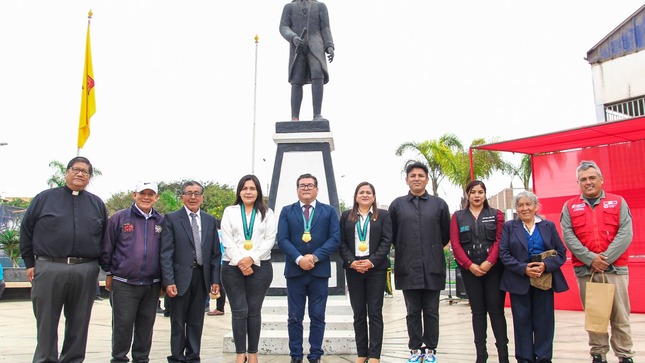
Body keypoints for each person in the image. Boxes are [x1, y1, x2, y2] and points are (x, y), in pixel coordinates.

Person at [19, 156, 108, 363]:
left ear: (89, 177)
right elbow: (26, 231)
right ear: (66, 172)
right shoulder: (44, 199)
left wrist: (106, 269)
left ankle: (73, 359)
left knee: (79, 322)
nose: (80, 174)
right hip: (49, 267)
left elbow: (105, 239)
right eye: (76, 169)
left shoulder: (96, 204)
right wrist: (30, 264)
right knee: (46, 322)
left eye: (85, 171)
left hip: (85, 270)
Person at [560, 160, 635, 363]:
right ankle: (598, 354)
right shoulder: (569, 207)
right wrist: (591, 258)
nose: (588, 182)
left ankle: (624, 355)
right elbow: (568, 236)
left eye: (592, 178)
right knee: (596, 316)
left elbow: (626, 233)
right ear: (578, 183)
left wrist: (605, 258)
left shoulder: (618, 202)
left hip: (615, 270)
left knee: (620, 316)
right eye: (583, 179)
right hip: (587, 271)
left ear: (601, 179)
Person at [388, 162, 450, 363]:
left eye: (420, 175)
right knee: (412, 311)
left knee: (432, 311)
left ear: (427, 179)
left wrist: (431, 249)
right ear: (406, 180)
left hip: (433, 266)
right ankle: (415, 349)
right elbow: (392, 235)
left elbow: (445, 234)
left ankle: (430, 349)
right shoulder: (397, 205)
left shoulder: (439, 205)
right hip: (407, 266)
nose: (416, 178)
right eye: (412, 175)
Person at [499, 191, 568, 363]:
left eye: (528, 204)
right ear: (516, 209)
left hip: (543, 282)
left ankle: (544, 358)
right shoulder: (509, 227)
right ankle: (524, 359)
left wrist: (546, 265)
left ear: (536, 207)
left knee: (544, 322)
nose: (525, 208)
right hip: (519, 282)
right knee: (521, 323)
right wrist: (524, 269)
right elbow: (504, 254)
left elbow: (561, 253)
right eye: (520, 205)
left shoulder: (548, 226)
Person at [277, 173, 340, 363]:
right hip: (295, 272)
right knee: (294, 317)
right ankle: (295, 355)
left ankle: (315, 355)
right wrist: (298, 259)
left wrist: (314, 256)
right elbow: (282, 239)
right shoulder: (287, 211)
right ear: (297, 189)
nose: (306, 188)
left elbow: (335, 239)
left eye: (310, 185)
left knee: (317, 316)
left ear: (317, 189)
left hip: (319, 272)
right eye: (302, 185)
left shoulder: (328, 211)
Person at [100, 181, 164, 363]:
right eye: (142, 193)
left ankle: (142, 359)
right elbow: (107, 248)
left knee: (145, 327)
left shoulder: (161, 221)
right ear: (134, 195)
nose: (146, 197)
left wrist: (164, 282)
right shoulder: (119, 218)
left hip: (151, 285)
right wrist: (109, 273)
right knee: (122, 326)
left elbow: (166, 253)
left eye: (150, 194)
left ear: (156, 197)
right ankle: (119, 358)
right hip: (124, 283)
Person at [160, 180, 221, 363]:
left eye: (196, 193)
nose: (192, 197)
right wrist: (168, 280)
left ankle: (193, 357)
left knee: (196, 322)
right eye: (188, 193)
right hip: (179, 279)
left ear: (202, 197)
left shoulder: (210, 220)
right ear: (182, 197)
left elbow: (215, 254)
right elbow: (166, 253)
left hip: (201, 277)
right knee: (178, 322)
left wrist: (215, 280)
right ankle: (177, 358)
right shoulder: (171, 218)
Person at [449, 180, 509, 363]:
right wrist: (469, 265)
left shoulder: (496, 214)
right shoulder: (458, 217)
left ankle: (503, 356)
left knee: (496, 311)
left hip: (493, 270)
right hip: (470, 272)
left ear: (485, 194)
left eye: (480, 192)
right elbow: (456, 244)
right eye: (473, 192)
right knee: (478, 312)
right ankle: (481, 356)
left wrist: (489, 262)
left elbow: (500, 241)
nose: (476, 195)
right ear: (468, 195)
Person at [220, 175, 277, 363]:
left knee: (253, 311)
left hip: (260, 267)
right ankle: (240, 354)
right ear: (239, 191)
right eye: (244, 188)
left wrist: (251, 259)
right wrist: (240, 261)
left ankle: (253, 354)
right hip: (232, 267)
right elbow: (227, 239)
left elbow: (269, 240)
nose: (248, 192)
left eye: (252, 188)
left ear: (258, 191)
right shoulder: (230, 211)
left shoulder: (267, 213)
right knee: (238, 311)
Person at [339, 182, 392, 363]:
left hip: (375, 269)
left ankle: (375, 355)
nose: (365, 195)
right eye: (361, 192)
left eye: (368, 192)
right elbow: (342, 242)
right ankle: (362, 354)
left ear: (374, 197)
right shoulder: (346, 216)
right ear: (355, 196)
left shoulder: (383, 215)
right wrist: (352, 262)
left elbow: (386, 241)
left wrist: (371, 261)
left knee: (375, 312)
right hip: (354, 269)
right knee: (359, 313)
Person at [279, 0, 335, 121]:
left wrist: (329, 45)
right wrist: (293, 37)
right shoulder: (289, 7)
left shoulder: (320, 6)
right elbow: (283, 27)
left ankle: (317, 115)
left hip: (316, 45)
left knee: (317, 72)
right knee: (296, 79)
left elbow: (325, 27)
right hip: (298, 47)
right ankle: (295, 117)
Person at [207, 218, 227, 316]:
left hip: (218, 262)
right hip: (224, 261)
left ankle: (220, 308)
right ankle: (220, 307)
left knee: (218, 284)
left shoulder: (217, 235)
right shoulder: (223, 234)